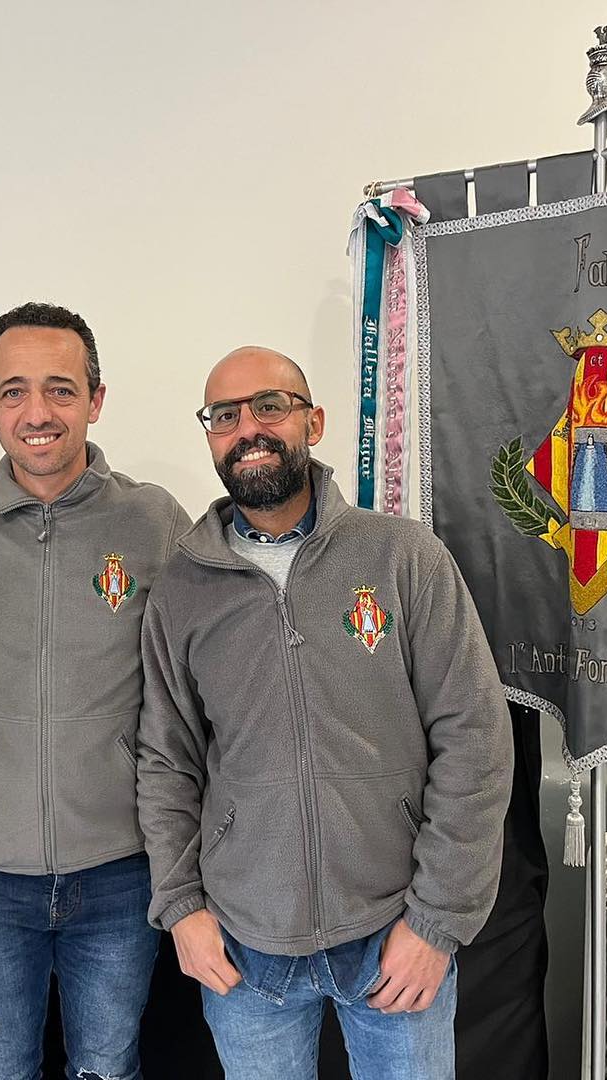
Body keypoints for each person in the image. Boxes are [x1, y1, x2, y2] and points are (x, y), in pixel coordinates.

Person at [136, 346, 512, 1079]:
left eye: (269, 406)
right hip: (246, 949)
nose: (247, 428)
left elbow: (475, 738)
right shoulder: (182, 588)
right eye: (224, 416)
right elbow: (166, 761)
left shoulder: (404, 557)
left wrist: (436, 922)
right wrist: (181, 908)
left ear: (313, 422)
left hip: (395, 933)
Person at [0, 301, 190, 1080]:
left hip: (120, 866)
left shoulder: (154, 523)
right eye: (14, 391)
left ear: (96, 400)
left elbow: (196, 667)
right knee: (1, 1066)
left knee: (107, 1066)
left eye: (61, 390)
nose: (37, 412)